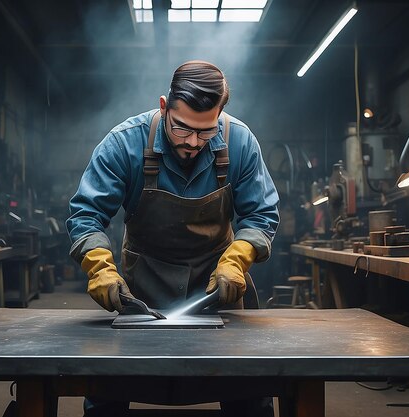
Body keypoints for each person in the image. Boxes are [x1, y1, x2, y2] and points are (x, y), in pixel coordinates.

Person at [67, 60, 280, 417]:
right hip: (142, 293)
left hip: (219, 287)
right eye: (183, 129)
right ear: (164, 106)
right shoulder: (124, 144)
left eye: (206, 132)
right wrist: (99, 267)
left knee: (249, 393)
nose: (194, 143)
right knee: (107, 391)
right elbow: (86, 215)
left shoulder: (240, 141)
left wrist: (237, 258)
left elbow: (261, 215)